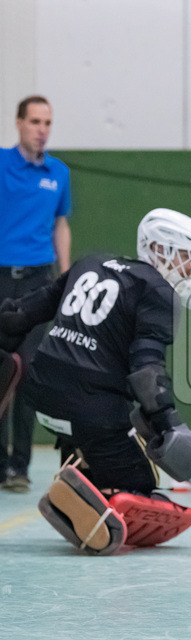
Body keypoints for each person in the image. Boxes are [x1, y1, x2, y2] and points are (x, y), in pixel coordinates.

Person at [0, 208, 191, 555]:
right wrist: (169, 425)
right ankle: (95, 492)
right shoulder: (159, 291)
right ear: (162, 251)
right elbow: (146, 368)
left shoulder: (90, 263)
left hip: (41, 393)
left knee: (97, 429)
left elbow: (21, 313)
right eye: (188, 259)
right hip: (91, 407)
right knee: (144, 480)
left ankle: (79, 472)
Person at [0, 95, 72, 493]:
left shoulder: (58, 173)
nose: (42, 130)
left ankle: (19, 467)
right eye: (35, 121)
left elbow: (61, 225)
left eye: (47, 122)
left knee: (26, 371)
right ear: (18, 123)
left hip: (37, 282)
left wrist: (66, 278)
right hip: (0, 277)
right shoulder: (1, 163)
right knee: (1, 371)